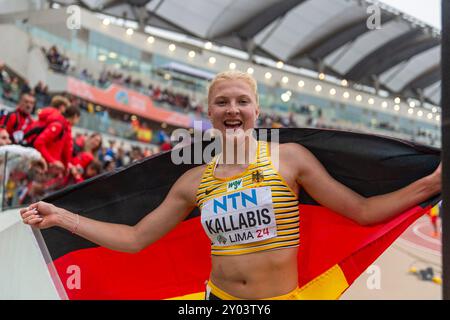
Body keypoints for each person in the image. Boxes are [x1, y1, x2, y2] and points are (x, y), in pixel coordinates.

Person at [20, 71, 442, 300]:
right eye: (222, 102)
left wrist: (430, 184)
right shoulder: (192, 181)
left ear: (257, 109)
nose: (233, 109)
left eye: (242, 101)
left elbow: (363, 212)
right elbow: (134, 238)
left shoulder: (290, 159)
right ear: (209, 112)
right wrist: (62, 217)